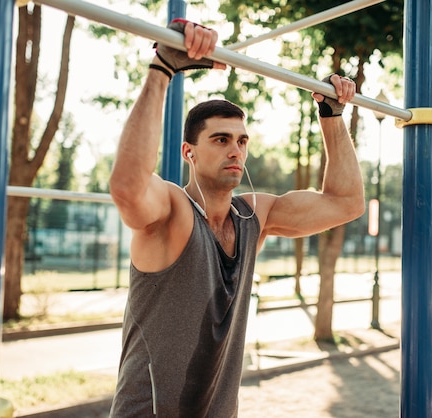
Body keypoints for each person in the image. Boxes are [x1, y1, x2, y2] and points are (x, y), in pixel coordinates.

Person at [108, 19, 364, 418]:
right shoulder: (173, 211)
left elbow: (346, 202)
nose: (235, 151)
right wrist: (162, 69)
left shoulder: (253, 214)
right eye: (221, 139)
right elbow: (127, 187)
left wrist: (332, 116)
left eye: (241, 140)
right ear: (189, 152)